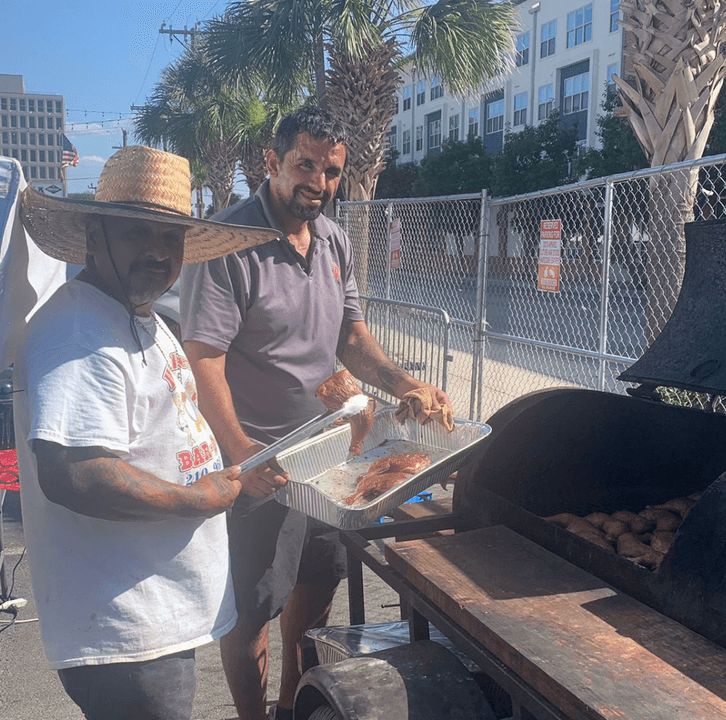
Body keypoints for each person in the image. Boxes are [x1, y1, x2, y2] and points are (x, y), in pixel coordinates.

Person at [154, 106, 453, 720]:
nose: (319, 182)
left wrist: (403, 382)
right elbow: (203, 355)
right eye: (305, 165)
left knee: (316, 594)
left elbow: (350, 337)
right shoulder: (228, 243)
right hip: (261, 464)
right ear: (273, 162)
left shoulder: (335, 240)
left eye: (332, 171)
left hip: (330, 459)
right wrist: (240, 453)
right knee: (251, 610)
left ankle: (294, 704)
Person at [13, 145, 281, 720]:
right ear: (94, 236)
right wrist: (196, 500)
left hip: (152, 615)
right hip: (125, 631)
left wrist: (228, 468)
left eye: (171, 239)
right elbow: (73, 472)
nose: (158, 253)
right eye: (138, 233)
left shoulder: (137, 316)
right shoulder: (81, 330)